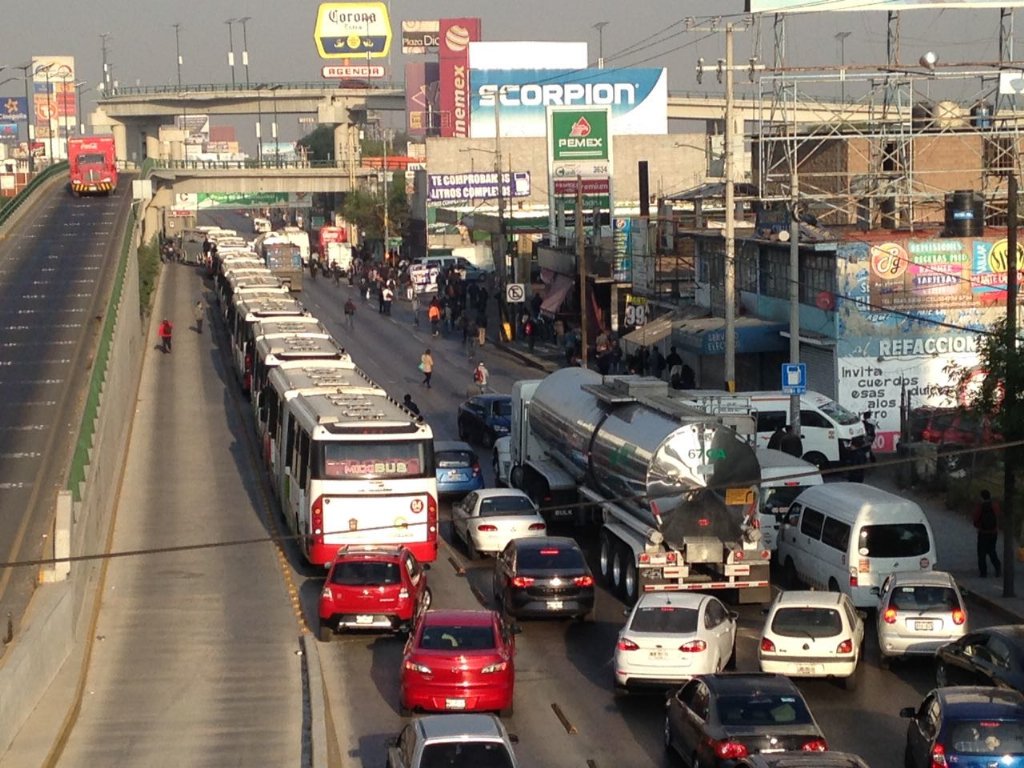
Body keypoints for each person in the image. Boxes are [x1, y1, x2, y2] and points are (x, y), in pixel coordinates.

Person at [974, 489, 1002, 578]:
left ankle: (983, 572)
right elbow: (998, 516)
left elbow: (975, 518)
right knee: (992, 551)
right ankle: (997, 568)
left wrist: (978, 526)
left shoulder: (980, 506)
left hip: (983, 532)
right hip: (993, 532)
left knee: (981, 553)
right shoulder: (995, 505)